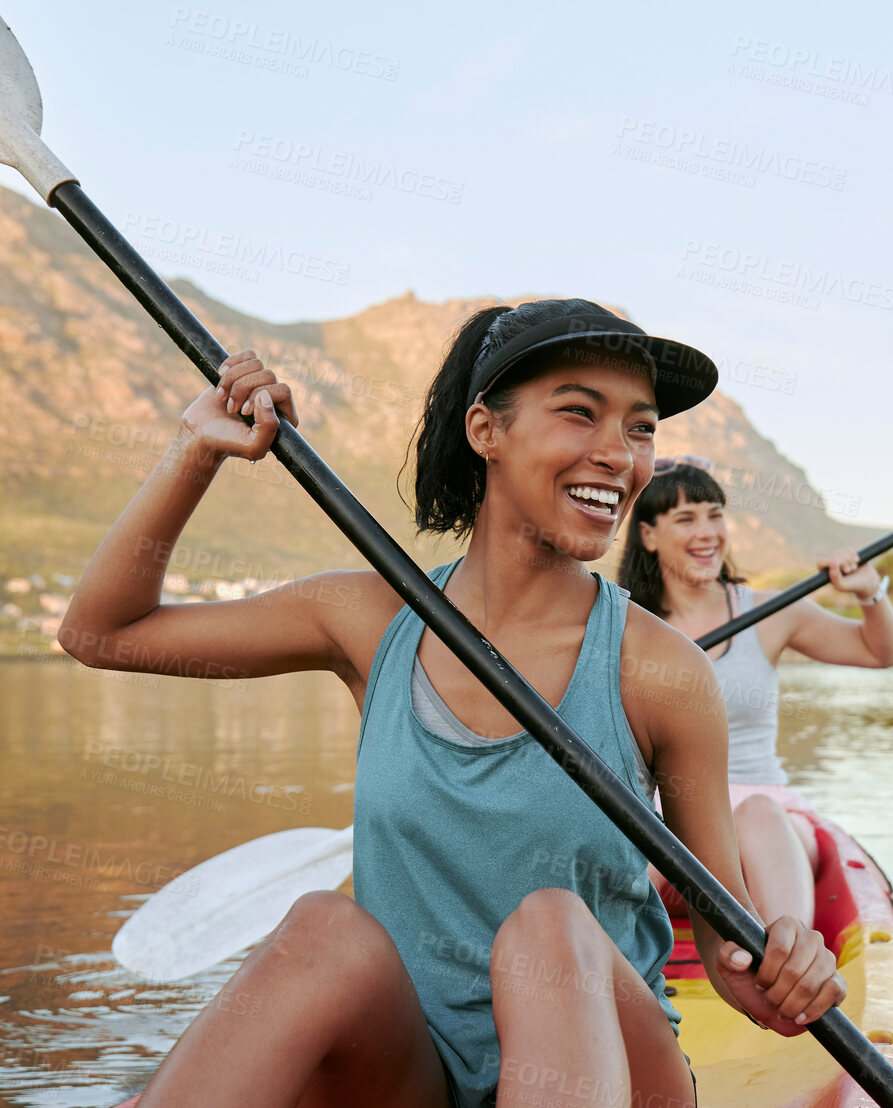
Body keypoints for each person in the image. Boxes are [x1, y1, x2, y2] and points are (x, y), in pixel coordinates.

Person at [58, 299, 845, 1108]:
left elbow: (724, 937)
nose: (617, 455)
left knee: (550, 925)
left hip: (616, 1070)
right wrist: (196, 450)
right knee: (322, 928)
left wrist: (775, 969)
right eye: (579, 413)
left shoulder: (662, 670)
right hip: (413, 1076)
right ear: (485, 431)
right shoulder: (368, 619)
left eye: (640, 428)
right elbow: (103, 632)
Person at [618, 458, 893, 927]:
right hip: (670, 830)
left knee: (756, 815)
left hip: (769, 826)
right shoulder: (624, 625)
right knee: (634, 839)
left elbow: (879, 652)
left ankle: (789, 965)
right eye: (686, 519)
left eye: (715, 514)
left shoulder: (772, 611)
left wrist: (869, 594)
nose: (707, 532)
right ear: (649, 536)